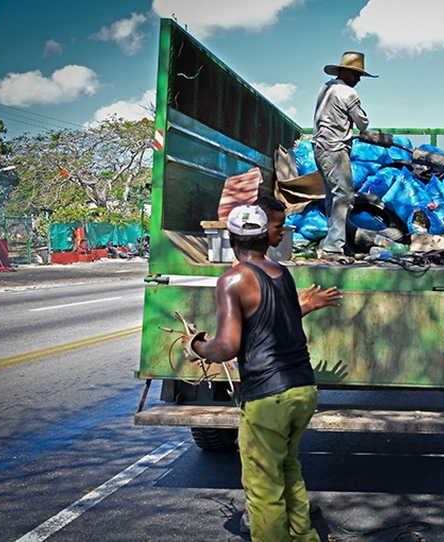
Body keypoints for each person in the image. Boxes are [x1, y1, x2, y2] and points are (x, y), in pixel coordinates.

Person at [184, 204, 337, 542]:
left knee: (262, 485)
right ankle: (304, 537)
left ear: (230, 237)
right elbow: (281, 320)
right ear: (266, 238)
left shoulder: (233, 279)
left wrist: (196, 345)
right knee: (287, 467)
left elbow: (226, 347)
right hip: (302, 388)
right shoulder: (282, 272)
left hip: (269, 397)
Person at [313, 51, 376, 263]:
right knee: (344, 197)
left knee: (333, 196)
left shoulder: (326, 88)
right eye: (356, 74)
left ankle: (334, 243)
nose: (358, 79)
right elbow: (363, 123)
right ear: (346, 72)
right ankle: (333, 248)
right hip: (335, 150)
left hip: (320, 149)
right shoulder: (348, 93)